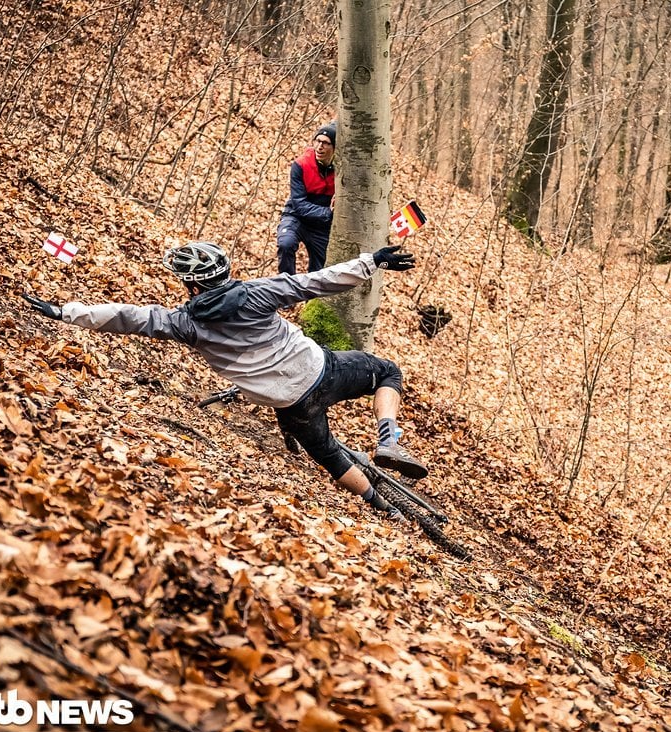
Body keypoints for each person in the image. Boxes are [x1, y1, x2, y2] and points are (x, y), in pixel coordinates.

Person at [22, 241, 427, 521]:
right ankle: (388, 439)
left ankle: (384, 507)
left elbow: (128, 317)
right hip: (323, 370)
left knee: (328, 455)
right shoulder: (258, 293)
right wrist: (371, 261)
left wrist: (65, 311)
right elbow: (316, 282)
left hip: (287, 401)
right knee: (387, 371)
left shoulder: (183, 323)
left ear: (193, 285)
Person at [277, 122, 337, 274]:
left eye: (325, 143)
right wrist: (327, 213)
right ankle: (286, 288)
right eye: (317, 141)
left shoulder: (342, 170)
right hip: (297, 217)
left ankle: (313, 297)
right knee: (286, 244)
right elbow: (299, 204)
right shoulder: (301, 165)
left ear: (335, 148)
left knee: (321, 271)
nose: (320, 147)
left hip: (321, 227)